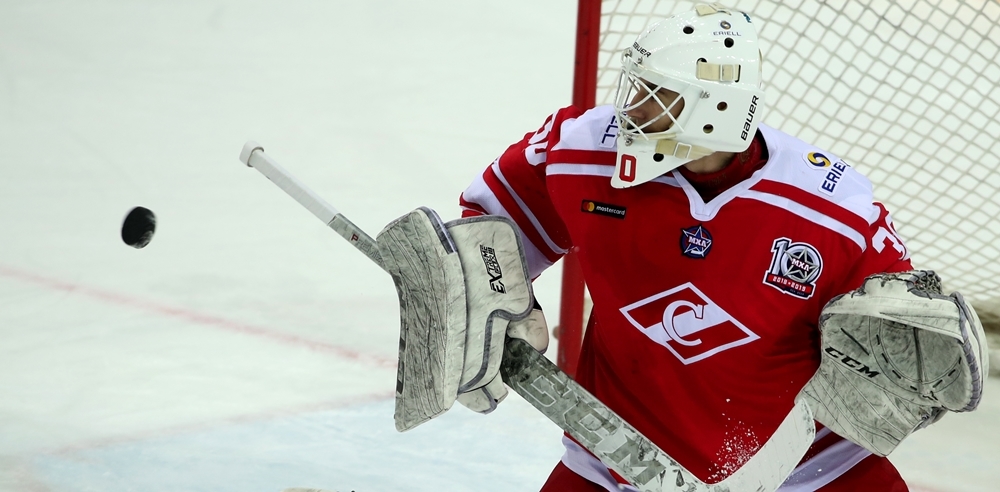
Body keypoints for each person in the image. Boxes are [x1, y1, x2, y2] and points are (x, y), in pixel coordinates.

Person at [377, 4, 987, 492]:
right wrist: (498, 299)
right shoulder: (581, 150)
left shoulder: (833, 210)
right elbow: (489, 229)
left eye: (658, 97)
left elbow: (898, 339)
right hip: (615, 461)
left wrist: (901, 371)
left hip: (808, 474)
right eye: (638, 88)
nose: (633, 108)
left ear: (716, 110)